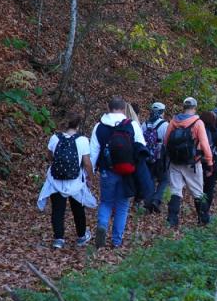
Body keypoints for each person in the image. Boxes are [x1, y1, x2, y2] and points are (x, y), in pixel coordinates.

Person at [90, 97, 146, 248]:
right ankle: (116, 241)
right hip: (127, 171)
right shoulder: (132, 125)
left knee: (106, 202)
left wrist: (92, 171)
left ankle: (102, 226)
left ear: (108, 107)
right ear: (124, 109)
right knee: (122, 205)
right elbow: (142, 146)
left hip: (107, 171)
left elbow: (93, 152)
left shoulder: (99, 127)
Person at [37, 112, 97, 249]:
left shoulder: (54, 138)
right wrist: (90, 178)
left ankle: (58, 239)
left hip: (56, 180)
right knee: (78, 209)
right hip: (75, 182)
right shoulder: (82, 140)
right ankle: (81, 236)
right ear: (78, 125)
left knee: (58, 210)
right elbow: (87, 163)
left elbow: (49, 156)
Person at [164, 97, 214, 227]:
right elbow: (204, 144)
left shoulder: (173, 121)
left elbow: (166, 141)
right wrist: (209, 162)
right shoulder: (198, 123)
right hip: (192, 163)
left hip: (175, 162)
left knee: (175, 191)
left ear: (183, 107)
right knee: (198, 192)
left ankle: (172, 220)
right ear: (195, 107)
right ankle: (203, 219)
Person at [199, 111, 217, 221]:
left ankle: (200, 210)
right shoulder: (216, 132)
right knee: (209, 188)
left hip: (198, 162)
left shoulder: (196, 130)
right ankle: (205, 211)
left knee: (199, 188)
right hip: (213, 163)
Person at [144, 102, 169, 211]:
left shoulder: (144, 124)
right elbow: (167, 141)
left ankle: (148, 202)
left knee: (150, 179)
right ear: (162, 112)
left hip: (147, 156)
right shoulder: (165, 125)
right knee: (164, 180)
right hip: (160, 157)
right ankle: (156, 199)